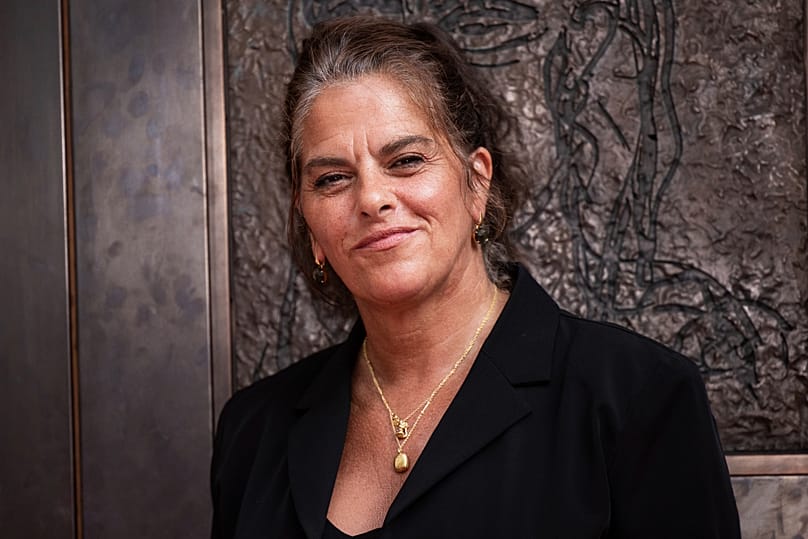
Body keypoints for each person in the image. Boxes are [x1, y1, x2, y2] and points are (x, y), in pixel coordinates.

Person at [211, 16, 741, 538]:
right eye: (332, 178)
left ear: (476, 186)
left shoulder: (637, 397)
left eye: (407, 160)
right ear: (309, 226)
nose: (372, 198)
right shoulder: (253, 430)